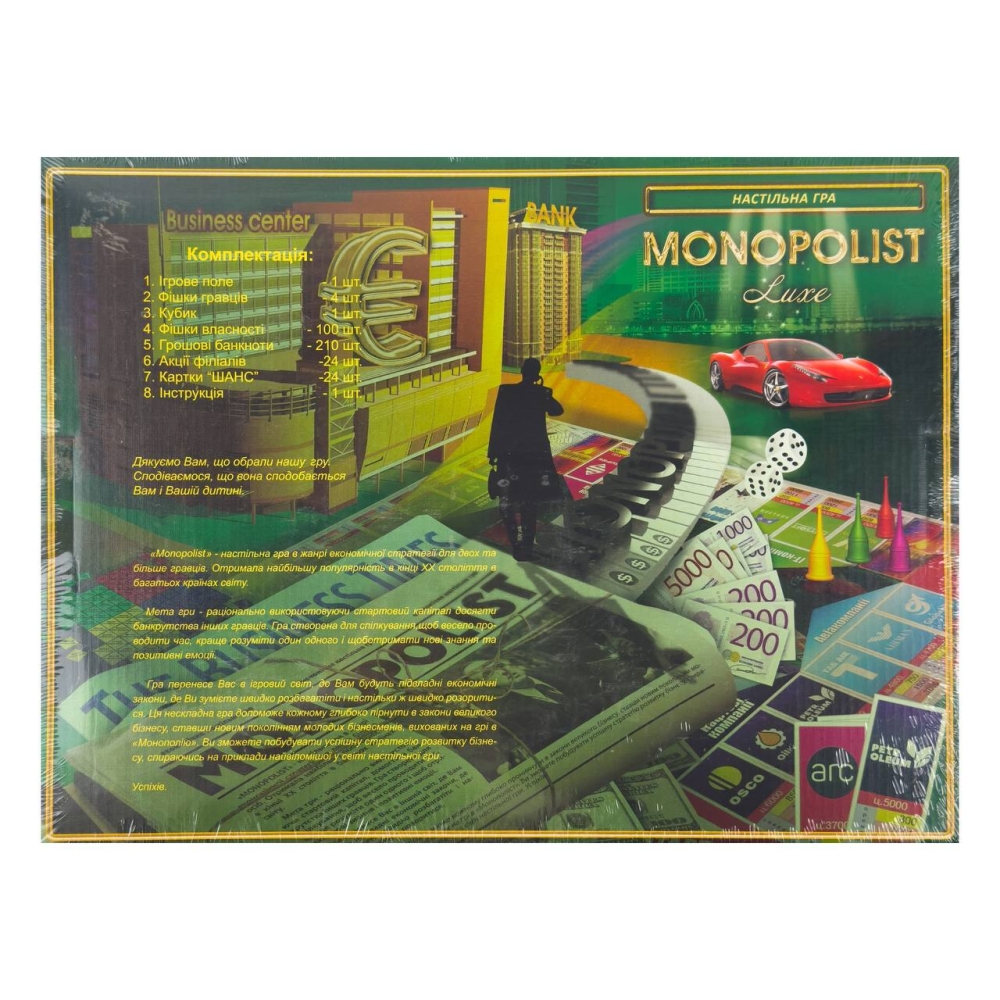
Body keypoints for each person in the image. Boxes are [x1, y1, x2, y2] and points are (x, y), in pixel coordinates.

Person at [487, 358, 567, 560]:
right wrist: (544, 391)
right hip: (534, 455)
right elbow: (557, 410)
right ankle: (526, 548)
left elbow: (497, 422)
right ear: (537, 374)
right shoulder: (541, 393)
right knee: (529, 503)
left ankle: (515, 543)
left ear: (522, 371)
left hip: (509, 453)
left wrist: (493, 453)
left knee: (507, 501)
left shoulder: (507, 391)